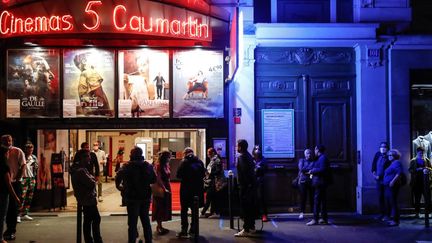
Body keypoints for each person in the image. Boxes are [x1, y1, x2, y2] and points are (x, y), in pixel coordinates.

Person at [115, 147, 156, 243]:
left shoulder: (127, 166)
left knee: (132, 222)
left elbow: (118, 177)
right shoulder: (148, 165)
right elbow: (154, 179)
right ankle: (148, 240)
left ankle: (132, 240)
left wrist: (119, 187)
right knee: (145, 220)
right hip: (145, 196)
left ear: (132, 155)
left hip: (132, 197)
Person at [71, 151, 103, 243]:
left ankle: (90, 239)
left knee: (88, 220)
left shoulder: (80, 169)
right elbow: (91, 183)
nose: (89, 158)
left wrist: (92, 179)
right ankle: (95, 239)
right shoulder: (81, 171)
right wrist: (93, 180)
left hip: (85, 198)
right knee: (95, 219)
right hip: (87, 199)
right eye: (88, 156)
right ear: (82, 158)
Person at [176, 147, 205, 239]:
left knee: (184, 210)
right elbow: (203, 174)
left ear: (185, 154)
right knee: (194, 210)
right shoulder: (199, 161)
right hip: (197, 189)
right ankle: (193, 229)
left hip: (186, 189)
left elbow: (178, 175)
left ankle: (184, 229)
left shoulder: (184, 162)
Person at [1, 135, 26, 241]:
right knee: (4, 208)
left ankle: (11, 230)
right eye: (6, 141)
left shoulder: (17, 151)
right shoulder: (2, 151)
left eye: (10, 140)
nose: (8, 142)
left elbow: (23, 165)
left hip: (14, 182)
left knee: (12, 208)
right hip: (4, 182)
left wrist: (18, 177)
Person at [234, 139, 257, 237]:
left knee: (245, 209)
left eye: (237, 146)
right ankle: (251, 227)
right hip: (251, 186)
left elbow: (244, 173)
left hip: (245, 187)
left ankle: (246, 229)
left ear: (240, 147)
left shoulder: (242, 157)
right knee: (250, 207)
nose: (236, 147)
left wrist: (245, 186)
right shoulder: (249, 156)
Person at [307, 145, 331, 226]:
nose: (314, 151)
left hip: (320, 183)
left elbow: (322, 169)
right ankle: (323, 218)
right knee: (323, 201)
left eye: (315, 149)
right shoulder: (322, 158)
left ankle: (315, 219)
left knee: (317, 201)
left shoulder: (322, 158)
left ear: (317, 150)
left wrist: (312, 171)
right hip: (322, 183)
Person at [151, 151, 172, 235]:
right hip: (161, 187)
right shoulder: (159, 166)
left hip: (166, 185)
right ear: (165, 157)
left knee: (164, 207)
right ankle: (159, 226)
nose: (170, 158)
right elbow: (158, 179)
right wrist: (164, 188)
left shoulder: (166, 165)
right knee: (159, 207)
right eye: (169, 157)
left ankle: (160, 225)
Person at [201, 147, 224, 219]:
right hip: (214, 181)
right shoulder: (215, 159)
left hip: (215, 181)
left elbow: (218, 170)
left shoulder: (216, 160)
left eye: (209, 154)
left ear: (213, 153)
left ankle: (204, 212)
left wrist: (209, 173)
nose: (208, 155)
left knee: (209, 196)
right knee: (212, 198)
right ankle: (213, 212)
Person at [409, 147, 432, 218]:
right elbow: (410, 170)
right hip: (416, 182)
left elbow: (431, 168)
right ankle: (417, 213)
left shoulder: (426, 160)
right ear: (417, 152)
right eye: (420, 152)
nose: (421, 154)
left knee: (427, 198)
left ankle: (428, 212)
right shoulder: (413, 161)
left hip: (425, 182)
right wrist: (416, 169)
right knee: (417, 198)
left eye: (422, 153)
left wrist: (427, 169)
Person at [383, 149, 404, 226]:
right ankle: (392, 218)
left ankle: (396, 220)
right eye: (388, 155)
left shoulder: (397, 163)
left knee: (393, 202)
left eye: (391, 155)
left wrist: (392, 181)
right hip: (388, 186)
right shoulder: (392, 163)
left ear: (395, 156)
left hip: (393, 186)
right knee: (390, 202)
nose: (389, 156)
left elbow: (399, 173)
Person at [371, 142, 391, 220]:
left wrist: (381, 176)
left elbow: (389, 169)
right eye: (381, 147)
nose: (383, 148)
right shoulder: (377, 154)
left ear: (387, 148)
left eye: (384, 147)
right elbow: (373, 165)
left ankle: (387, 215)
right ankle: (381, 213)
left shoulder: (390, 156)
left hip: (386, 180)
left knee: (387, 198)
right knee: (380, 197)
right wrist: (374, 174)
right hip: (378, 180)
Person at [19, 142, 38, 221]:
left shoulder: (33, 157)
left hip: (31, 178)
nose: (30, 151)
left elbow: (36, 167)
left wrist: (35, 167)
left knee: (29, 197)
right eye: (29, 150)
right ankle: (18, 214)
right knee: (22, 197)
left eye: (32, 150)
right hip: (24, 178)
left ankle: (25, 213)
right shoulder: (22, 156)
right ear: (25, 150)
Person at [297, 148, 315, 220]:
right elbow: (301, 169)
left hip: (311, 181)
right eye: (307, 153)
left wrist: (308, 170)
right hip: (302, 181)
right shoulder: (302, 160)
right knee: (303, 198)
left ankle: (314, 212)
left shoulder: (313, 161)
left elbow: (313, 169)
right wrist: (309, 170)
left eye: (310, 153)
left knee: (312, 197)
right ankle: (302, 212)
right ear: (305, 154)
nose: (309, 154)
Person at [253, 145, 269, 222]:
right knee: (254, 198)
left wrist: (259, 168)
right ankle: (256, 214)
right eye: (256, 149)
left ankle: (264, 215)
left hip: (260, 180)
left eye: (258, 149)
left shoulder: (263, 159)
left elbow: (265, 168)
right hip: (253, 180)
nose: (257, 150)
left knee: (261, 198)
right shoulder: (252, 159)